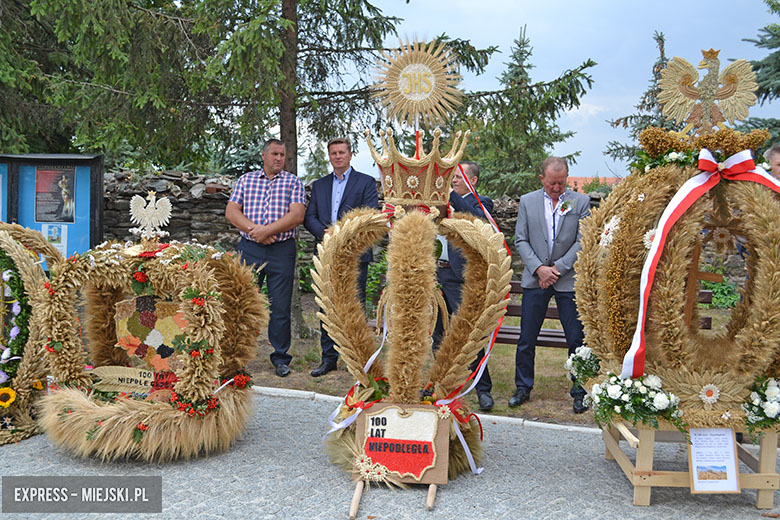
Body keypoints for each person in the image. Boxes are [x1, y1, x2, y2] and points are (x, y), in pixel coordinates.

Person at [511, 157, 591, 414]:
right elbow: (521, 239)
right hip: (536, 279)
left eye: (561, 183)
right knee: (527, 337)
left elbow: (583, 240)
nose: (556, 188)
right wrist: (539, 269)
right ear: (541, 179)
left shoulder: (580, 202)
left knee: (576, 338)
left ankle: (580, 390)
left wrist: (557, 269)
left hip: (566, 279)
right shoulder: (527, 201)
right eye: (551, 183)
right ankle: (523, 387)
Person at [226, 138, 306, 378]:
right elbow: (231, 211)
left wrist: (267, 231)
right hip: (250, 248)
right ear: (264, 155)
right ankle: (236, 358)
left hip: (281, 251)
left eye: (282, 154)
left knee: (280, 307)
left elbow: (297, 215)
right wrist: (255, 231)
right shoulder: (246, 180)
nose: (279, 158)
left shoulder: (293, 182)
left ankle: (280, 358)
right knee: (243, 304)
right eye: (274, 154)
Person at [303, 137, 379, 377]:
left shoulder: (365, 182)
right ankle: (328, 359)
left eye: (341, 152)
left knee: (354, 306)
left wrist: (342, 233)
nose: (337, 156)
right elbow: (309, 217)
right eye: (333, 153)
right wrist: (324, 233)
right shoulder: (320, 185)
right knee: (327, 306)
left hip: (354, 254)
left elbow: (369, 215)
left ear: (350, 155)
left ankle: (357, 359)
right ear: (329, 156)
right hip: (326, 252)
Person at [435, 161, 495, 411]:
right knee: (438, 334)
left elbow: (477, 220)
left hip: (461, 279)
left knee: (470, 334)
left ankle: (482, 388)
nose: (454, 180)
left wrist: (450, 195)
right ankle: (442, 383)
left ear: (473, 180)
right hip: (438, 275)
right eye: (452, 177)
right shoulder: (440, 202)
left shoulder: (482, 202)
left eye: (458, 177)